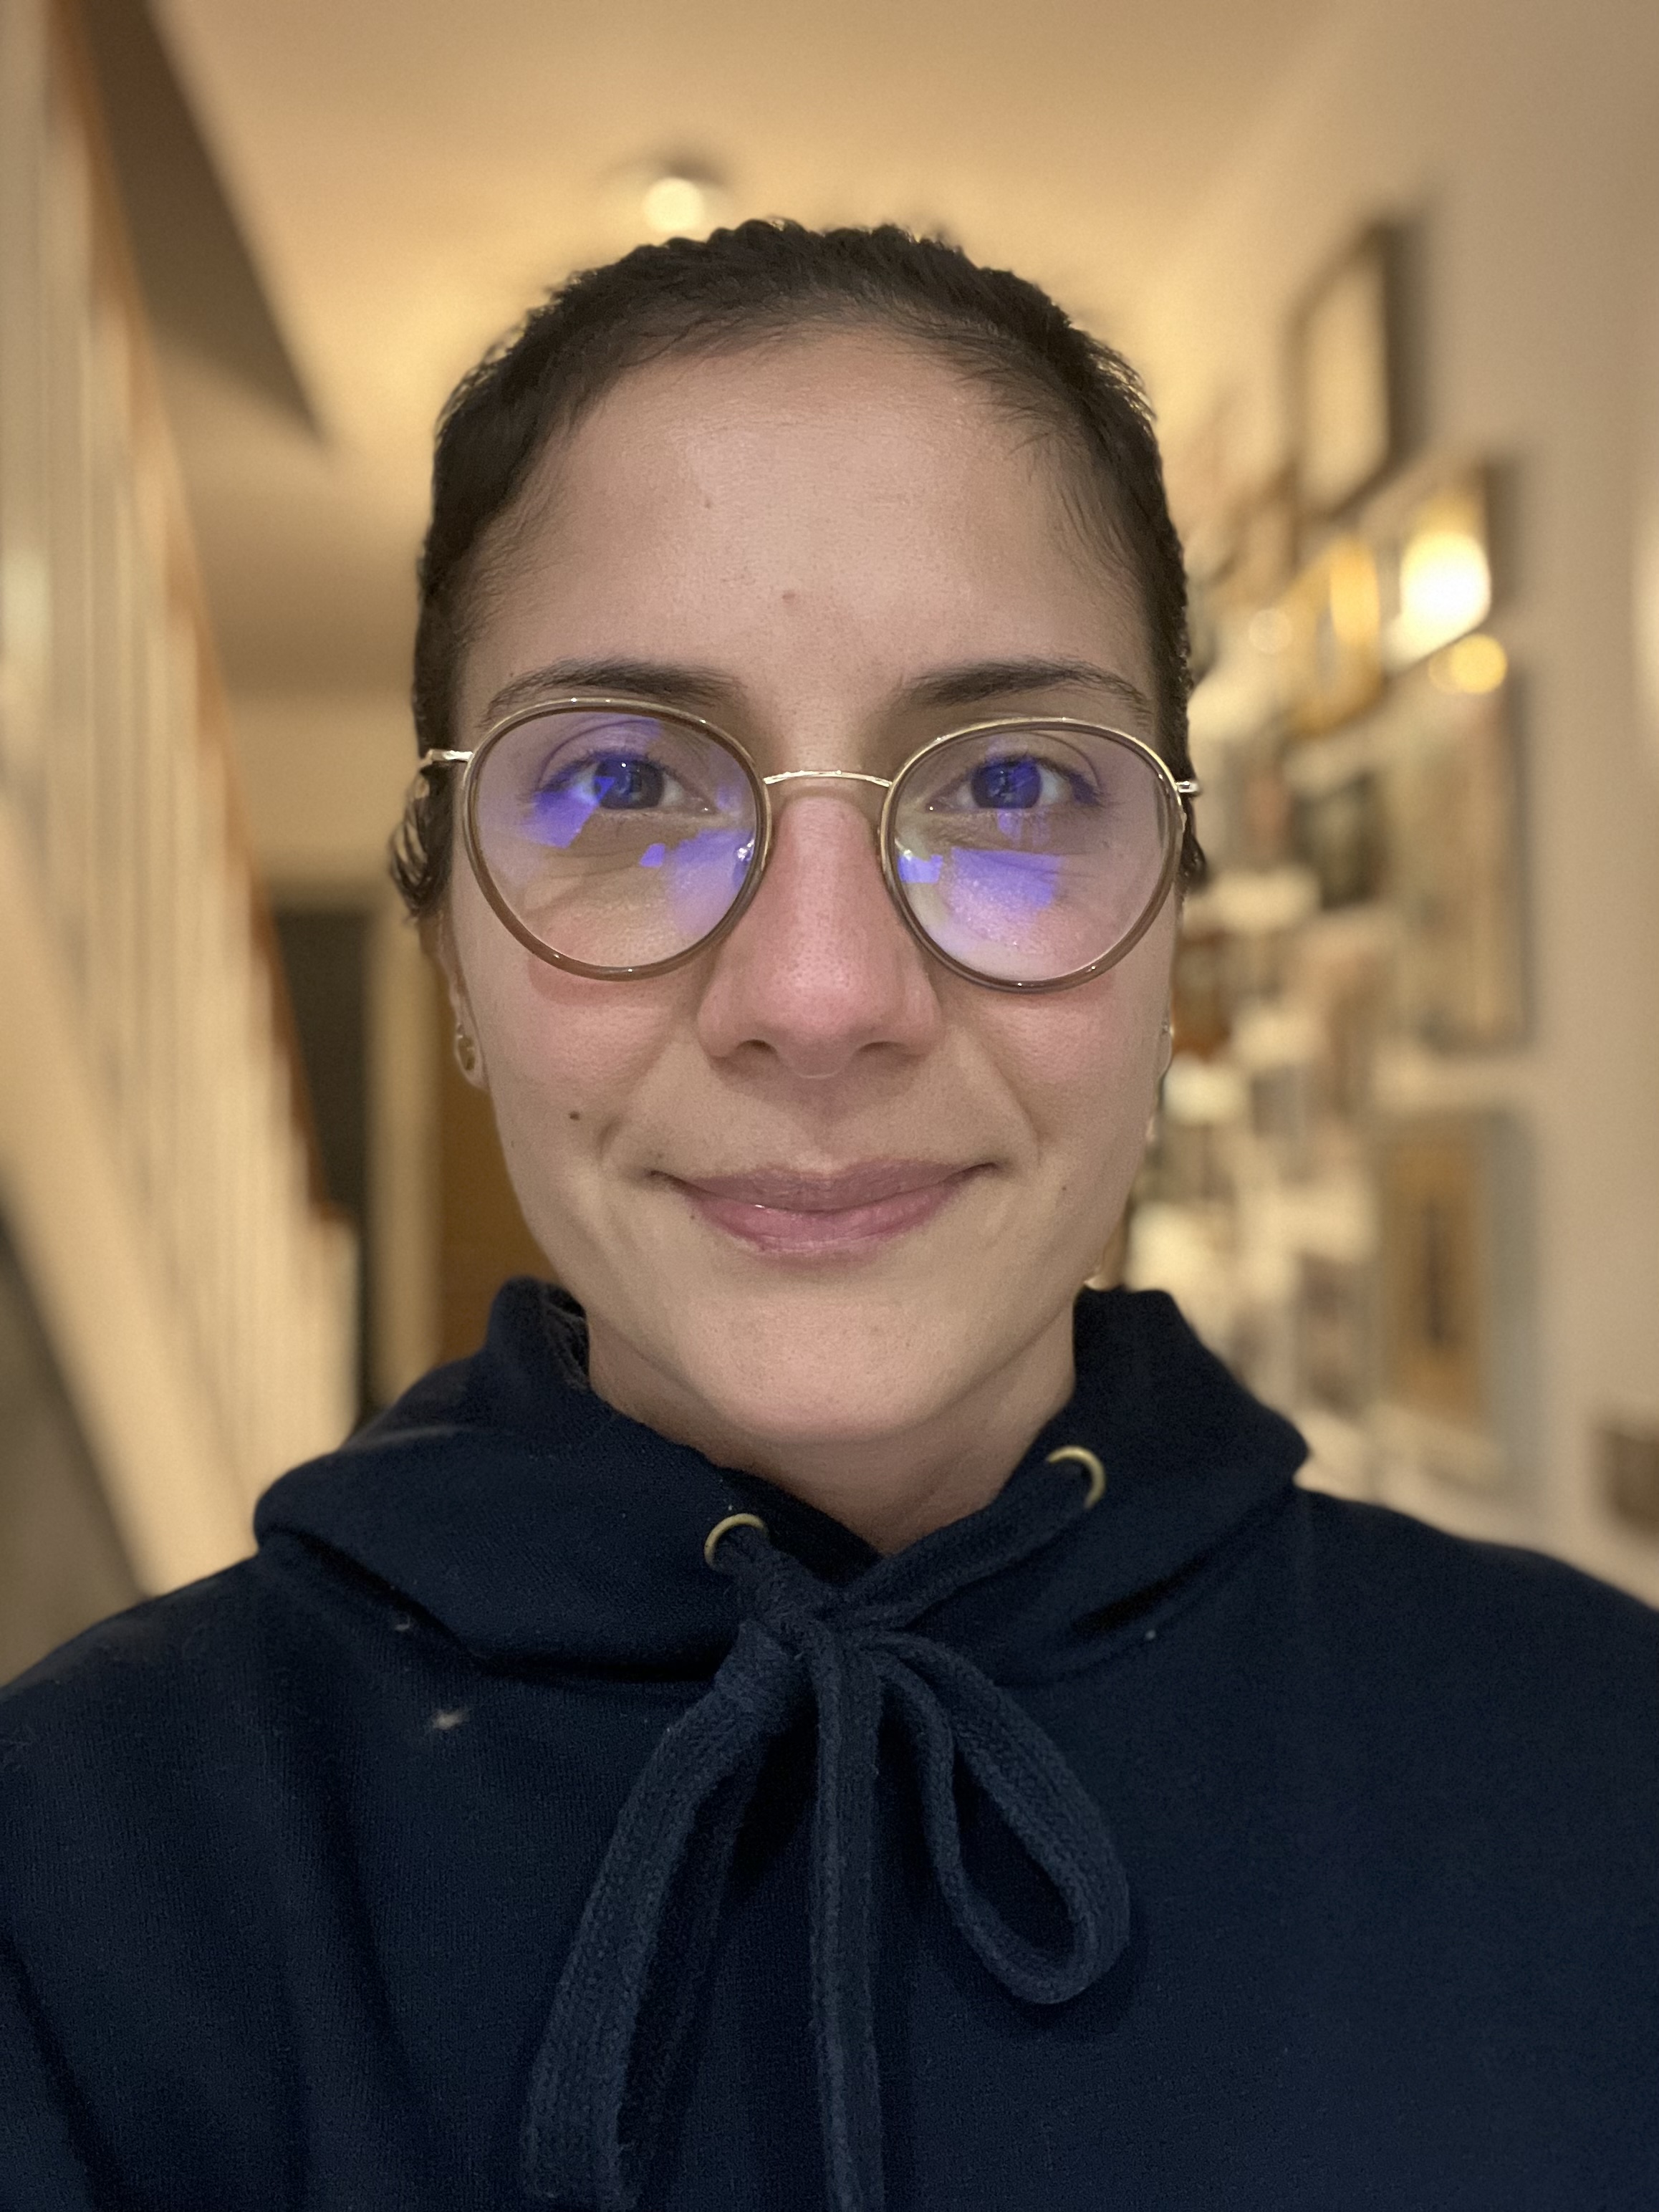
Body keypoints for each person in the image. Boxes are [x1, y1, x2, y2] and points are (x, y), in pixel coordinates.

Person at [1, 221, 1655, 2212]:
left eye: (1013, 787)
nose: (820, 995)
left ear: (1177, 927)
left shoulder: (1600, 1768)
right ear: (450, 944)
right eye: (623, 782)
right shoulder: (77, 1869)